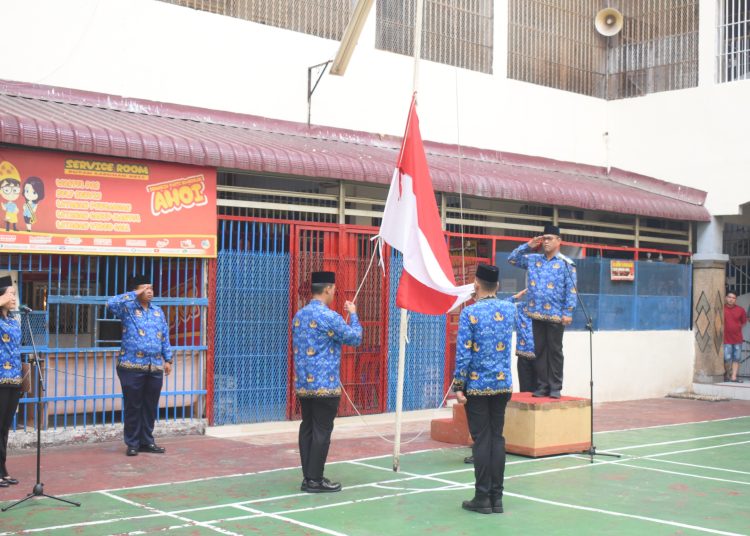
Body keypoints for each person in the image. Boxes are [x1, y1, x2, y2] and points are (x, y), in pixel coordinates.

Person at [453, 263, 515, 514]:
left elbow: (463, 351)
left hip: (477, 386)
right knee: (497, 439)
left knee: (482, 441)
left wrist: (459, 384)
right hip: (502, 384)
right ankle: (497, 498)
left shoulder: (470, 313)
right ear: (497, 285)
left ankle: (482, 497)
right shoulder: (509, 309)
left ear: (476, 284)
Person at [293, 271, 362, 493]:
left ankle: (308, 477)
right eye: (333, 289)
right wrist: (353, 315)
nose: (334, 293)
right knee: (322, 431)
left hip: (303, 384)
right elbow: (354, 338)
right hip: (325, 384)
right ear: (328, 289)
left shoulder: (299, 315)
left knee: (307, 428)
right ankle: (315, 479)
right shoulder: (329, 316)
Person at [107, 274, 173, 456]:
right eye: (145, 288)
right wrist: (135, 293)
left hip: (154, 367)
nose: (149, 292)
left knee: (150, 406)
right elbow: (110, 303)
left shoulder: (158, 311)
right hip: (131, 366)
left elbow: (165, 336)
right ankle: (133, 443)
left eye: (151, 288)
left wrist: (168, 359)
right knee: (133, 405)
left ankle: (147, 441)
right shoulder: (127, 308)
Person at [508, 224, 577, 398]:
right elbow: (512, 258)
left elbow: (571, 289)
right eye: (544, 238)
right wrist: (528, 245)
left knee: (554, 351)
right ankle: (542, 385)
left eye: (549, 239)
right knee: (539, 350)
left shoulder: (565, 264)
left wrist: (568, 311)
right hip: (535, 312)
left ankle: (555, 387)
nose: (546, 242)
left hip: (555, 314)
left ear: (559, 241)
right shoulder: (533, 259)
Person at [0, 275, 22, 487]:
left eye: (15, 294)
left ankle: (2, 468)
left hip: (13, 379)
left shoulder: (12, 320)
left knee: (5, 426)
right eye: (10, 294)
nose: (14, 298)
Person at [514, 291, 537, 393]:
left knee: (540, 393)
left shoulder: (545, 309)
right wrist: (516, 297)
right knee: (524, 393)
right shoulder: (519, 308)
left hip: (540, 356)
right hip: (523, 356)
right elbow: (501, 307)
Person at [723, 291, 747, 383]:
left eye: (733, 298)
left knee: (736, 358)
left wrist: (736, 327)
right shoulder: (721, 309)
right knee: (726, 358)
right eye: (729, 297)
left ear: (735, 300)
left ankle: (733, 377)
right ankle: (727, 374)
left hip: (737, 339)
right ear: (726, 298)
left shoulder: (740, 310)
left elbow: (744, 322)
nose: (731, 299)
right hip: (725, 338)